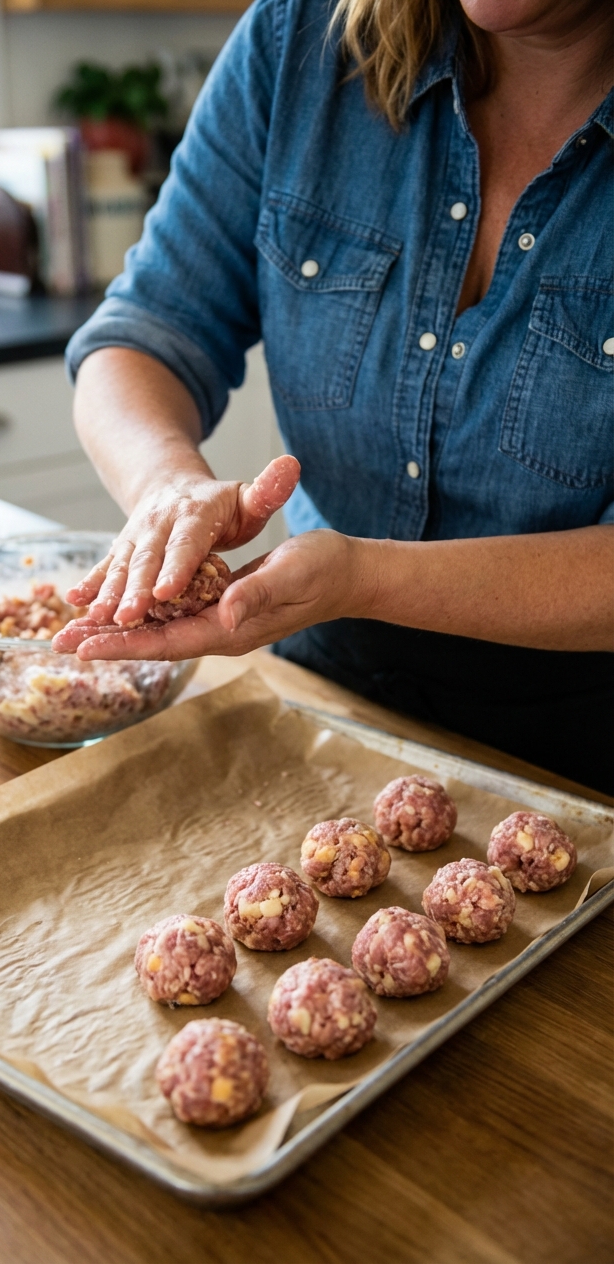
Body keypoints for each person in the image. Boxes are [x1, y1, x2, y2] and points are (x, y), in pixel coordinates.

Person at [59, 0, 614, 793]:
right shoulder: (300, 42)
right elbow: (144, 331)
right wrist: (164, 485)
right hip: (325, 692)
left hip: (586, 744)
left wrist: (364, 578)